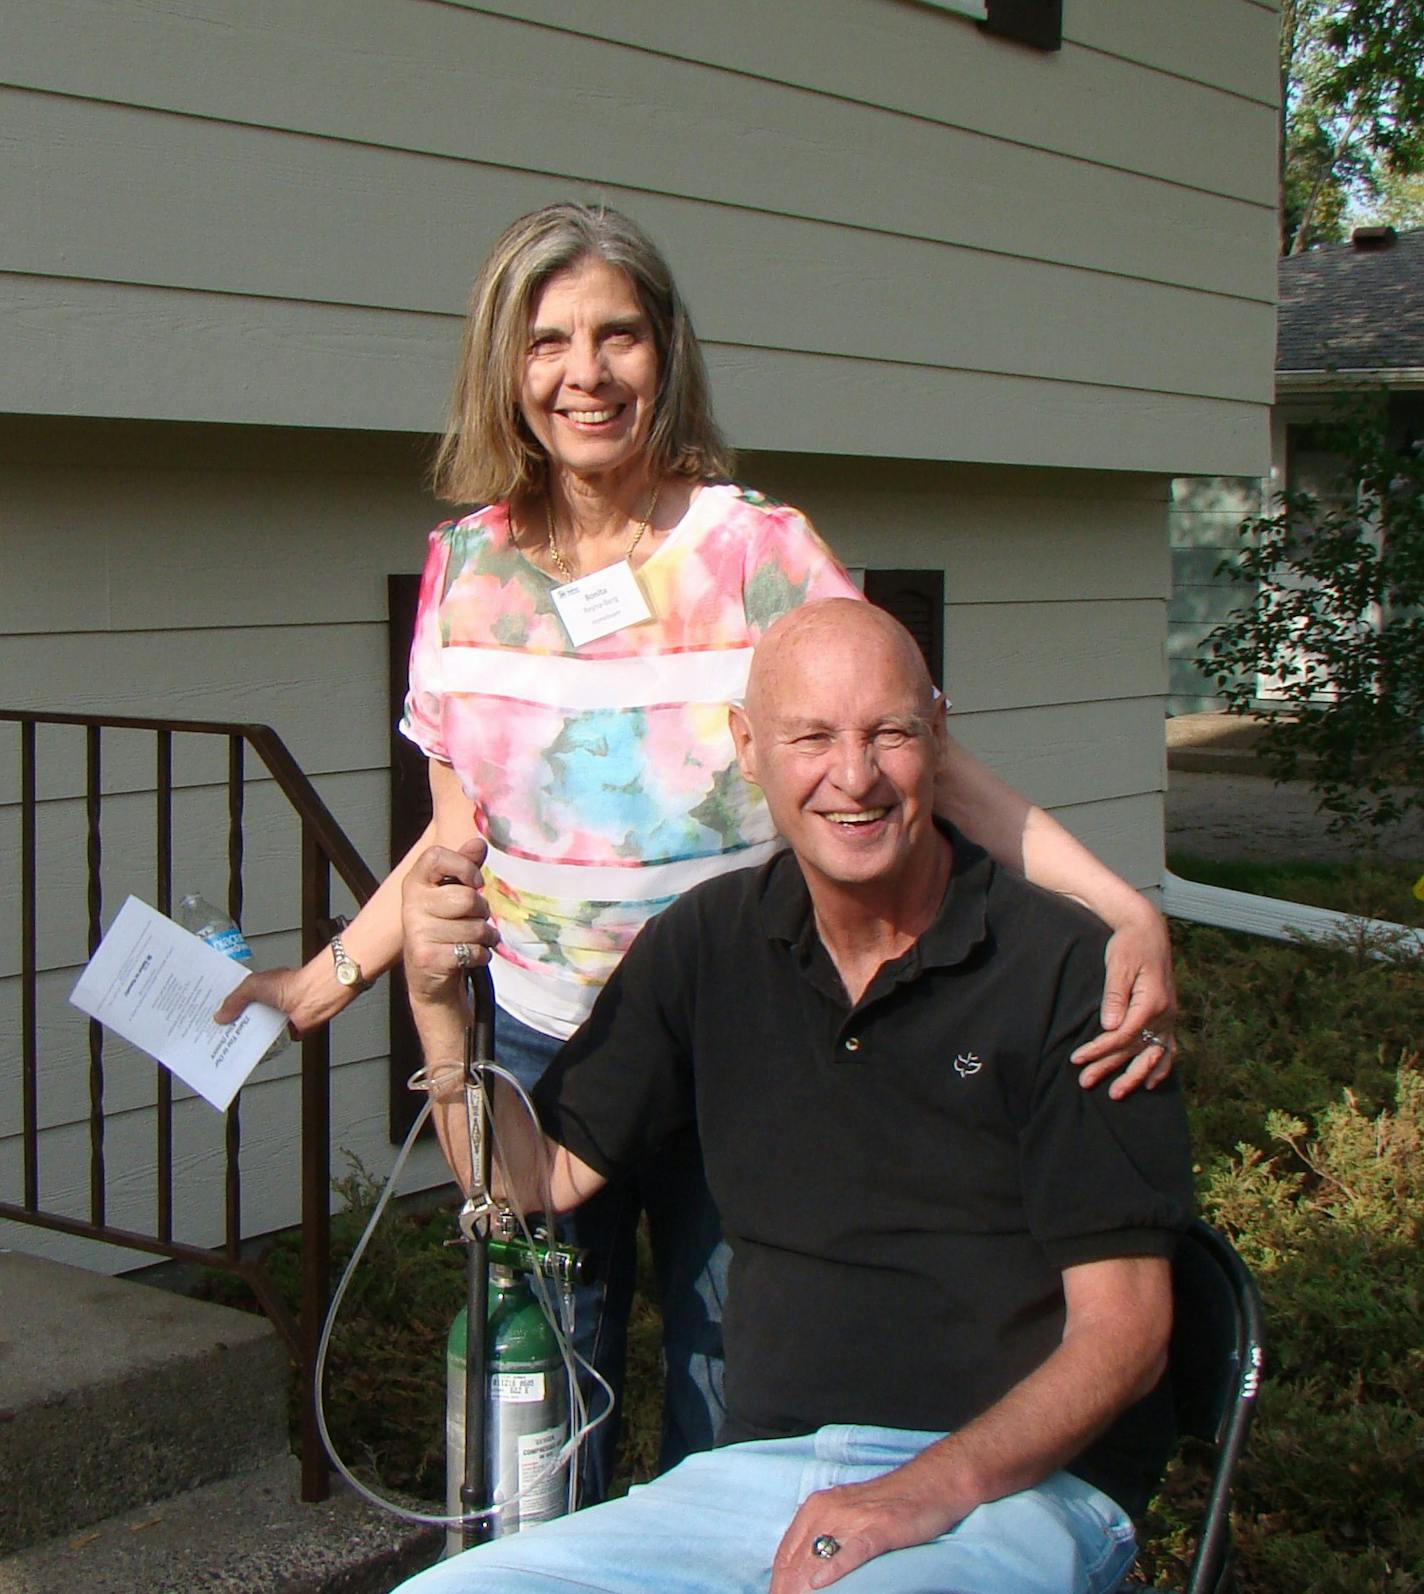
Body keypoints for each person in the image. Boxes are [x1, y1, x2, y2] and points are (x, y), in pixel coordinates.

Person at [219, 202, 1178, 1497]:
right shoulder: (465, 570)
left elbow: (907, 756)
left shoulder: (756, 551)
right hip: (546, 1044)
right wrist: (319, 983)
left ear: (666, 351)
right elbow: (457, 836)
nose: (586, 373)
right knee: (545, 1409)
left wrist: (1129, 910)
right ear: (505, 365)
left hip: (745, 1042)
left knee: (739, 1411)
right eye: (549, 340)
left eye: (618, 335)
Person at [396, 599, 1194, 1594]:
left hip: (1014, 1491)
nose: (851, 776)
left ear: (936, 736)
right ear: (746, 749)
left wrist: (918, 1490)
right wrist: (436, 1006)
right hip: (748, 1485)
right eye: (809, 736)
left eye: (888, 733)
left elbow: (1125, 1334)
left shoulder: (1068, 975)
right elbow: (527, 1179)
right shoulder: (708, 944)